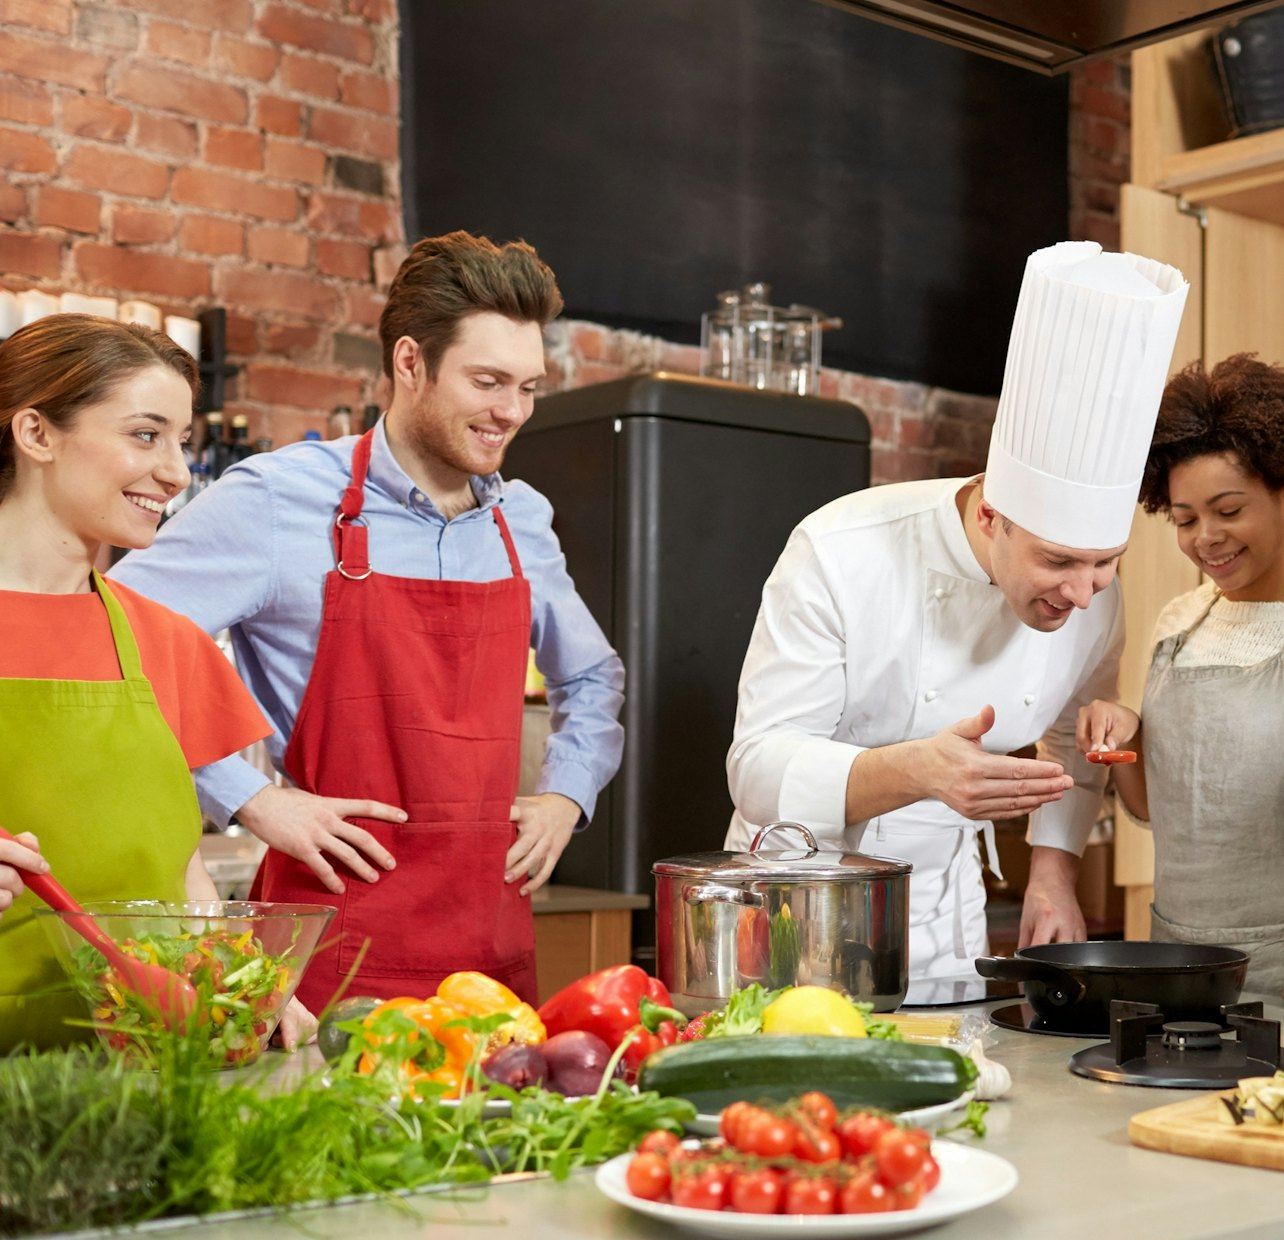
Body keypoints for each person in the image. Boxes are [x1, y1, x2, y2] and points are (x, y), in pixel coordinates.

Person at [115, 232, 625, 1011]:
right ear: (410, 363)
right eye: (488, 382)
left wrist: (567, 795)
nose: (512, 413)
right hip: (330, 949)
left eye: (528, 387)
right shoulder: (277, 501)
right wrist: (248, 799)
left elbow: (592, 674)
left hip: (490, 955)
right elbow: (115, 635)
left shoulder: (521, 520)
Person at [726, 241, 1188, 980]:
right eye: (1059, 561)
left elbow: (1073, 731)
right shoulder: (842, 550)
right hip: (796, 908)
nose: (1083, 591)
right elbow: (757, 769)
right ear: (990, 516)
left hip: (947, 920)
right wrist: (916, 770)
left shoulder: (1095, 594)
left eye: (1106, 561)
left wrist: (1053, 870)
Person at [0, 314, 272, 1049]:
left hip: (148, 1065)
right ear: (37, 434)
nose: (178, 472)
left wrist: (237, 995)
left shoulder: (166, 641)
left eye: (181, 442)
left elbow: (183, 872)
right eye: (145, 435)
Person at [1079, 354, 1284, 993]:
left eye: (1228, 510)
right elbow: (1152, 808)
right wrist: (1124, 737)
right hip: (1178, 956)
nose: (1206, 539)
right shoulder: (1180, 622)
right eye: (1186, 519)